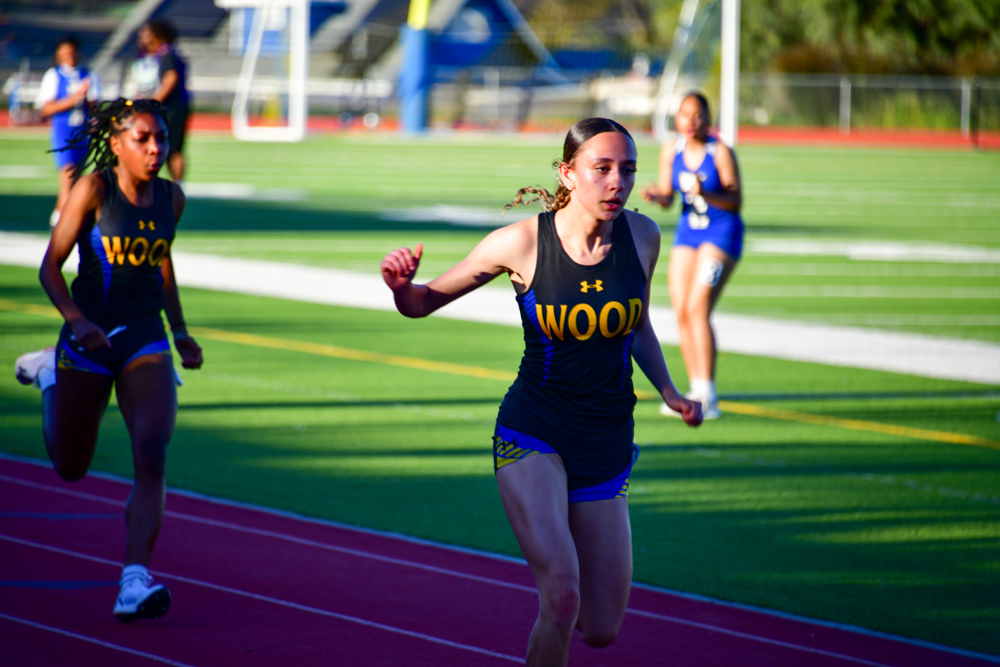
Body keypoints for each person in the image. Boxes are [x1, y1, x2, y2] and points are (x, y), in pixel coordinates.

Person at [381, 118, 702, 666]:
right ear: (567, 173)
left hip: (606, 440)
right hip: (535, 432)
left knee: (600, 628)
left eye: (627, 170)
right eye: (601, 168)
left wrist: (669, 391)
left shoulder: (643, 236)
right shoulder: (523, 242)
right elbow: (422, 302)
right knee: (562, 594)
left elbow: (638, 324)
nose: (617, 182)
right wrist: (401, 286)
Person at [14, 98, 203, 622]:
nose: (155, 148)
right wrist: (76, 321)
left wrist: (179, 330)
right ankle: (49, 375)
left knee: (152, 449)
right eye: (143, 139)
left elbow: (161, 263)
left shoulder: (172, 197)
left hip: (145, 337)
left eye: (162, 138)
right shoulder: (93, 190)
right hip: (89, 340)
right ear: (117, 144)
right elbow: (50, 267)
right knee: (70, 466)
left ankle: (134, 582)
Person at [641, 92, 744, 420]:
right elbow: (669, 197)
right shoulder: (671, 149)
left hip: (721, 234)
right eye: (685, 114)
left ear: (708, 118)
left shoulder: (720, 151)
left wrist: (706, 193)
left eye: (698, 114)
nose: (691, 121)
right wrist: (657, 196)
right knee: (682, 310)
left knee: (699, 308)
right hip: (689, 234)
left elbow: (736, 200)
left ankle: (708, 394)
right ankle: (695, 389)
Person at [35, 35, 100, 227]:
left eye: (72, 51)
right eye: (65, 52)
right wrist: (71, 100)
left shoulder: (88, 74)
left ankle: (68, 218)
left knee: (77, 178)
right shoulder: (54, 75)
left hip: (83, 131)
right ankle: (60, 220)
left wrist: (85, 99)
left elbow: (96, 107)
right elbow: (46, 108)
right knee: (68, 174)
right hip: (63, 130)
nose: (69, 55)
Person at [130, 19, 189, 183]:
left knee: (172, 148)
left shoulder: (167, 55)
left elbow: (170, 79)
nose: (144, 38)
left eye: (147, 34)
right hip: (157, 109)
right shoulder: (149, 56)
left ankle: (177, 186)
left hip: (170, 109)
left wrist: (152, 103)